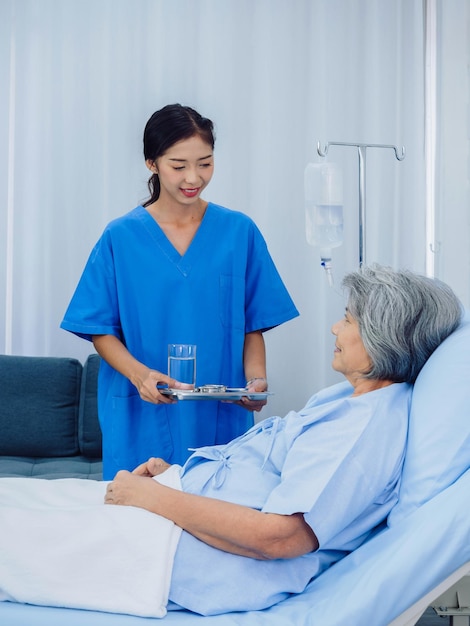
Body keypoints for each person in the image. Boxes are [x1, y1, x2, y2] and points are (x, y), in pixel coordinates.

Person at [0, 264, 456, 618]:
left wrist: (153, 499)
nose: (335, 329)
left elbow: (280, 537)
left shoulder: (366, 428)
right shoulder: (349, 401)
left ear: (383, 338)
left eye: (348, 319)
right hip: (177, 521)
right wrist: (174, 479)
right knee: (13, 496)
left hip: (175, 555)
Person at [60, 103, 299, 480]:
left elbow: (252, 324)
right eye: (178, 165)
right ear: (151, 163)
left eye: (205, 163)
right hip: (141, 415)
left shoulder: (239, 232)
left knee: (215, 520)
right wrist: (140, 376)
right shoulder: (120, 238)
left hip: (219, 417)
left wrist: (256, 379)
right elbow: (99, 330)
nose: (194, 177)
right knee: (135, 524)